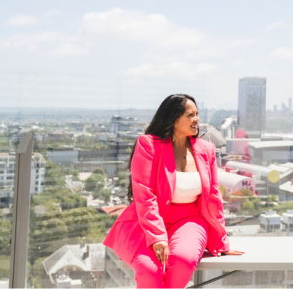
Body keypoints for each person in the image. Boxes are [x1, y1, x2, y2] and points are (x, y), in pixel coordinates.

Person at [103, 94, 244, 288]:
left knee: (183, 261)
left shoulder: (207, 149)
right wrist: (158, 237)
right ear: (174, 119)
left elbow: (213, 197)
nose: (197, 119)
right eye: (190, 115)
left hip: (190, 220)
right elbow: (144, 194)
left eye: (197, 114)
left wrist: (221, 242)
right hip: (149, 222)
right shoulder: (149, 145)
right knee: (150, 271)